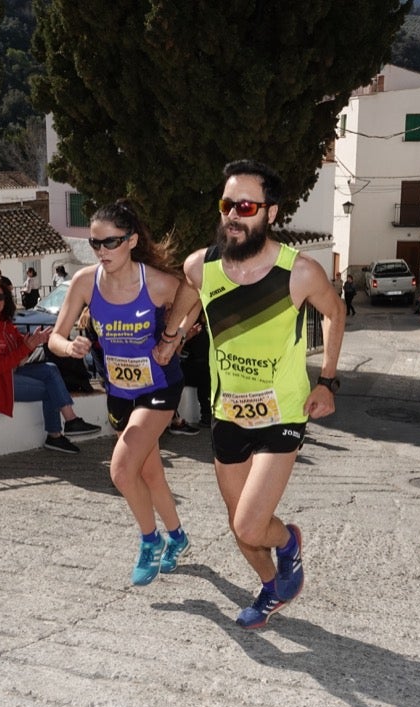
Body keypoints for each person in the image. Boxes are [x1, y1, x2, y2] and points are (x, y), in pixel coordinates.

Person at [153, 159, 346, 629]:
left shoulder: (298, 272)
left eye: (246, 206)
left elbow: (335, 314)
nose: (233, 216)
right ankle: (272, 587)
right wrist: (172, 338)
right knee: (239, 524)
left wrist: (328, 380)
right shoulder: (202, 265)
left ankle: (288, 543)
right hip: (228, 413)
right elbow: (188, 295)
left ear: (271, 212)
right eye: (227, 205)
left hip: (282, 412)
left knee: (249, 525)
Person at [50, 199, 192, 586]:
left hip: (160, 387)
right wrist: (71, 347)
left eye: (110, 242)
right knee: (149, 471)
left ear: (131, 241)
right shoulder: (84, 281)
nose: (101, 251)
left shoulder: (157, 282)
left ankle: (150, 541)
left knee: (122, 470)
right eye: (95, 243)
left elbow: (192, 298)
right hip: (119, 392)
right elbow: (55, 338)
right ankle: (178, 537)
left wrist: (172, 337)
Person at [0, 278, 100, 454]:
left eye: (0, 297)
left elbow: (19, 344)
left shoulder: (2, 322)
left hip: (9, 373)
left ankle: (69, 423)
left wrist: (36, 340)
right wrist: (26, 347)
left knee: (50, 369)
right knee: (49, 387)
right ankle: (57, 434)